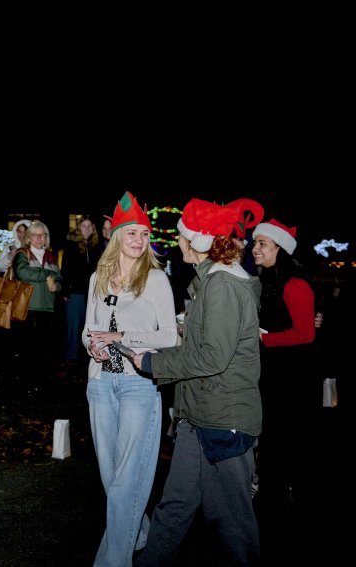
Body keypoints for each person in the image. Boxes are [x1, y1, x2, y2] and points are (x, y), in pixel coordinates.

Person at [131, 197, 263, 566]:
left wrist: (152, 362)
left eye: (181, 238)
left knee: (230, 521)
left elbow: (212, 357)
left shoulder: (221, 285)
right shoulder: (211, 281)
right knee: (173, 508)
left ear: (199, 242)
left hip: (224, 421)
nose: (177, 243)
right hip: (198, 416)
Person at [81, 191, 179, 566]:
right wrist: (93, 344)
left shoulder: (155, 279)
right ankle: (137, 533)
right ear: (117, 236)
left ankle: (112, 560)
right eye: (132, 233)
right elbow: (89, 329)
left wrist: (122, 338)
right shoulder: (97, 278)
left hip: (139, 385)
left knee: (126, 482)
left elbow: (169, 336)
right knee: (113, 478)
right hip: (101, 385)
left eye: (144, 234)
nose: (138, 240)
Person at [251, 219, 316, 505]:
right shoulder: (268, 279)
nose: (255, 248)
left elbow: (305, 334)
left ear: (281, 248)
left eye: (262, 244)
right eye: (255, 242)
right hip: (274, 372)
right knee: (273, 433)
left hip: (290, 376)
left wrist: (263, 339)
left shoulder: (295, 283)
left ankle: (284, 491)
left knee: (285, 434)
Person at [12, 220, 62, 382]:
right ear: (28, 237)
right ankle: (27, 381)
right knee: (28, 348)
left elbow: (59, 278)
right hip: (29, 307)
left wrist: (58, 286)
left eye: (42, 235)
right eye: (35, 235)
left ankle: (41, 381)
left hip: (48, 308)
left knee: (45, 348)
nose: (39, 238)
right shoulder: (23, 253)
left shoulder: (51, 256)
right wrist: (46, 275)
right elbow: (23, 273)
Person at [60, 217, 104, 363]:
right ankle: (71, 356)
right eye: (83, 226)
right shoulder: (71, 245)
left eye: (89, 226)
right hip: (74, 293)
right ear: (79, 229)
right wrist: (65, 291)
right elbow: (65, 270)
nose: (86, 229)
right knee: (73, 327)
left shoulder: (97, 247)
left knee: (90, 327)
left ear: (93, 229)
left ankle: (88, 356)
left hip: (92, 294)